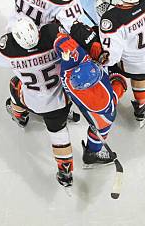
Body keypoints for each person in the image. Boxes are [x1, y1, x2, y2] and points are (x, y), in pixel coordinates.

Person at [0, 16, 78, 187]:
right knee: (59, 135)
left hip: (34, 102)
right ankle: (65, 171)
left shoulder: (8, 48)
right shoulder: (52, 34)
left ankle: (20, 116)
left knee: (15, 85)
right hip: (62, 100)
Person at [54, 32, 127, 167]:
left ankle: (65, 112)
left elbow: (57, 36)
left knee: (60, 100)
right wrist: (119, 81)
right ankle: (92, 154)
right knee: (104, 123)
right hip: (93, 104)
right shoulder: (101, 102)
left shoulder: (69, 68)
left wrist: (60, 42)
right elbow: (113, 99)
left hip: (60, 90)